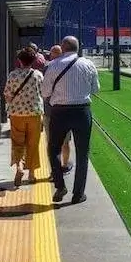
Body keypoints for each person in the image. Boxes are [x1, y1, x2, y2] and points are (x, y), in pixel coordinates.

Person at [42, 36, 100, 204]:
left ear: (63, 47)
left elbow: (45, 93)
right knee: (82, 153)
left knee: (53, 150)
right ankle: (78, 194)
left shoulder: (52, 65)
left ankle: (60, 186)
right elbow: (96, 89)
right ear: (78, 47)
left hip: (59, 112)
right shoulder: (88, 64)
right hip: (82, 111)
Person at [4, 48, 44, 187]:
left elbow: (8, 95)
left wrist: (13, 104)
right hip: (35, 114)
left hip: (17, 114)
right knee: (33, 143)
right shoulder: (38, 75)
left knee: (17, 142)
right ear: (33, 61)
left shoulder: (13, 75)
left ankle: (20, 167)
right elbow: (43, 93)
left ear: (19, 60)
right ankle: (32, 174)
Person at [44, 45, 72, 173]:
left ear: (50, 55)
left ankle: (53, 170)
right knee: (65, 141)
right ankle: (65, 165)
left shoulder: (46, 68)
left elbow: (43, 91)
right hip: (65, 110)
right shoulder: (69, 67)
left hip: (50, 111)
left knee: (51, 142)